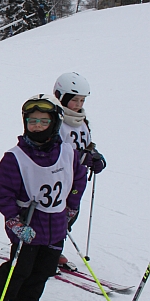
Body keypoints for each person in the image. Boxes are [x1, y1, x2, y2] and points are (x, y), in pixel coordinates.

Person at [0, 94, 87, 301]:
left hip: (56, 222)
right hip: (28, 223)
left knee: (45, 268)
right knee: (19, 268)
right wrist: (14, 221)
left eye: (43, 121)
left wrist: (72, 206)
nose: (37, 126)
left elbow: (78, 180)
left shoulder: (67, 153)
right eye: (32, 121)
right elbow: (3, 194)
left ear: (55, 124)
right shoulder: (16, 158)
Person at [52, 72, 106, 267]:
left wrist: (95, 155)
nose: (79, 104)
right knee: (54, 214)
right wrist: (83, 156)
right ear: (61, 96)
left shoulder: (81, 121)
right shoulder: (55, 120)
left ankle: (55, 248)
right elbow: (54, 150)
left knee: (70, 213)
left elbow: (86, 143)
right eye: (74, 100)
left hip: (78, 177)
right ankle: (47, 251)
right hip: (58, 176)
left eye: (82, 100)